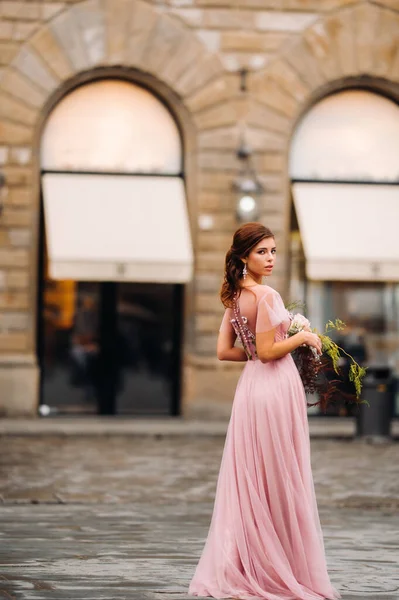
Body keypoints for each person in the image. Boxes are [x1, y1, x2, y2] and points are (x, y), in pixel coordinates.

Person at [189, 223, 340, 600]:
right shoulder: (267, 295)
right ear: (243, 257)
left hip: (252, 388)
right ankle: (278, 567)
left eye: (273, 251)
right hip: (273, 387)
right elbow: (271, 351)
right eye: (262, 252)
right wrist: (302, 336)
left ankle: (255, 561)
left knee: (256, 475)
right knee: (280, 474)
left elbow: (226, 351)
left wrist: (261, 349)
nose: (270, 258)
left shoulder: (236, 297)